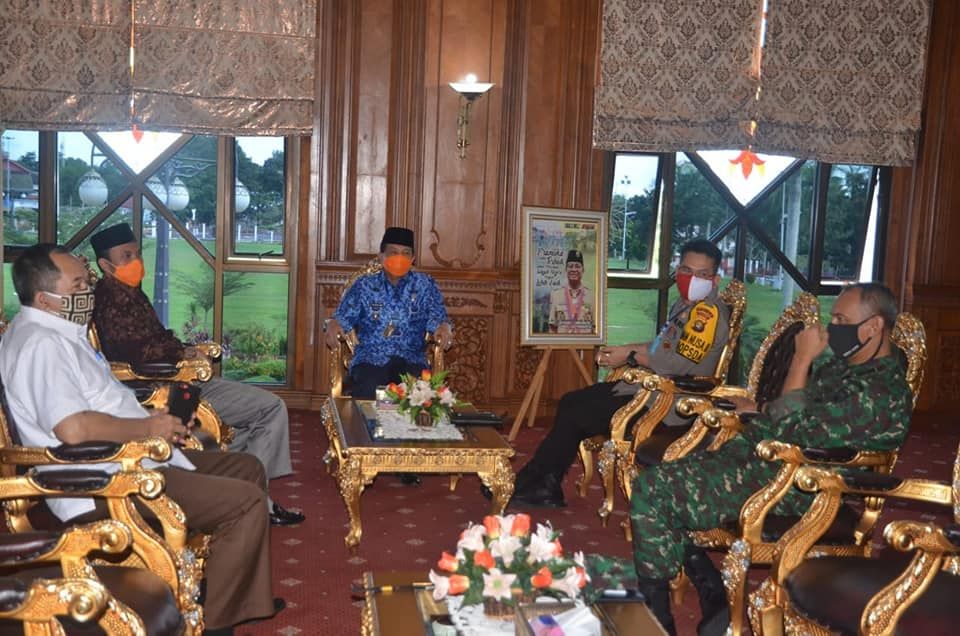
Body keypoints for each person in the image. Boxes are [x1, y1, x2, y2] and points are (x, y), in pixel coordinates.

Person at [591, 283, 913, 636]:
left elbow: (792, 428)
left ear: (874, 326)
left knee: (654, 492)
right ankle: (713, 596)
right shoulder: (847, 368)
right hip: (761, 462)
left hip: (799, 485)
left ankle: (660, 621)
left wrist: (801, 360)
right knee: (660, 484)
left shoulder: (879, 393)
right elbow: (790, 411)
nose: (832, 327)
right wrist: (761, 410)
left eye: (841, 319)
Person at [0, 244, 284, 635]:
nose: (89, 290)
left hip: (133, 455)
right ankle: (215, 624)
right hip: (102, 480)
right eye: (79, 283)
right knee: (246, 503)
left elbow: (99, 402)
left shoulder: (59, 332)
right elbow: (73, 428)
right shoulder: (41, 344)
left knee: (246, 467)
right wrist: (148, 429)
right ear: (45, 297)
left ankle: (228, 591)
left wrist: (153, 419)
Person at [88, 223, 303, 526]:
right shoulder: (110, 300)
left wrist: (183, 349)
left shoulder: (128, 292)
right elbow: (136, 353)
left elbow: (156, 340)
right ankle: (256, 502)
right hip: (164, 388)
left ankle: (241, 492)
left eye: (137, 253)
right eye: (126, 256)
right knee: (269, 409)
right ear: (106, 265)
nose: (136, 262)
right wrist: (182, 352)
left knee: (257, 421)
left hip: (181, 378)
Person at [506, 239, 730, 508]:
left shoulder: (707, 314)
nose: (691, 279)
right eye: (685, 270)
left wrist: (631, 356)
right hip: (649, 389)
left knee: (579, 412)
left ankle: (540, 484)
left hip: (672, 403)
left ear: (714, 280)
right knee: (571, 401)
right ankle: (541, 482)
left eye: (702, 274)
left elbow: (671, 365)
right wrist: (625, 349)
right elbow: (660, 346)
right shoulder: (686, 304)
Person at [325, 226, 454, 399]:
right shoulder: (365, 285)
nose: (399, 257)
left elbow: (438, 317)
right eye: (393, 252)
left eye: (406, 253)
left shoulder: (424, 285)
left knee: (419, 394)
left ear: (413, 258)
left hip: (411, 358)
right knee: (368, 386)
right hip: (371, 358)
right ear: (381, 256)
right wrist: (334, 323)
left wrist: (444, 327)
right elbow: (343, 316)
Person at [548, 250, 595, 333]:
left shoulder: (592, 297)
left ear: (583, 269)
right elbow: (552, 328)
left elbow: (595, 328)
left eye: (577, 266)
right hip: (562, 345)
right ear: (566, 269)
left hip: (584, 345)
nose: (574, 269)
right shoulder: (556, 295)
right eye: (570, 266)